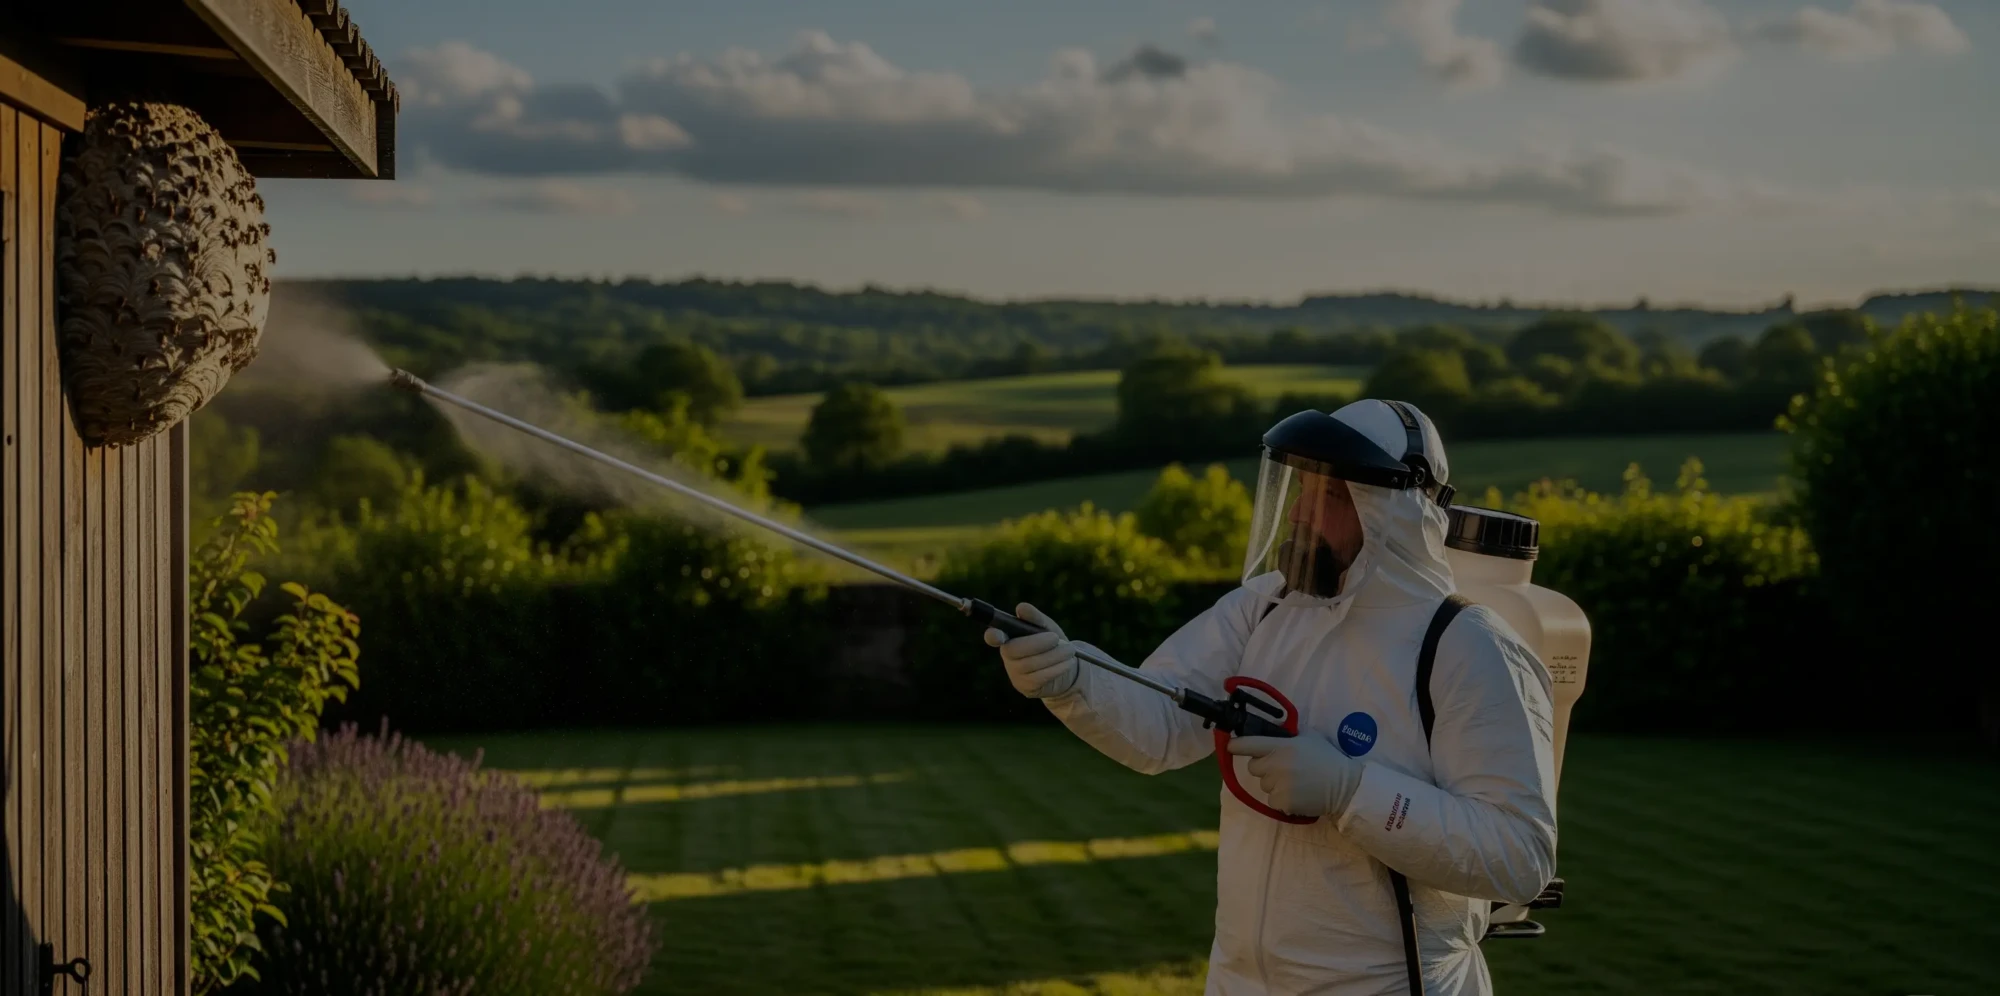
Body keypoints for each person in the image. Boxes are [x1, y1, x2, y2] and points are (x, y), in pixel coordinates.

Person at [985, 399, 1558, 996]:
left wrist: (1352, 791)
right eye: (1301, 487)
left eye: (1331, 495)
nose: (1301, 512)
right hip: (1239, 979)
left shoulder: (1466, 646)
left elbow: (1519, 857)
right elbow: (1162, 724)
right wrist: (1074, 678)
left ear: (1394, 513)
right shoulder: (1266, 606)